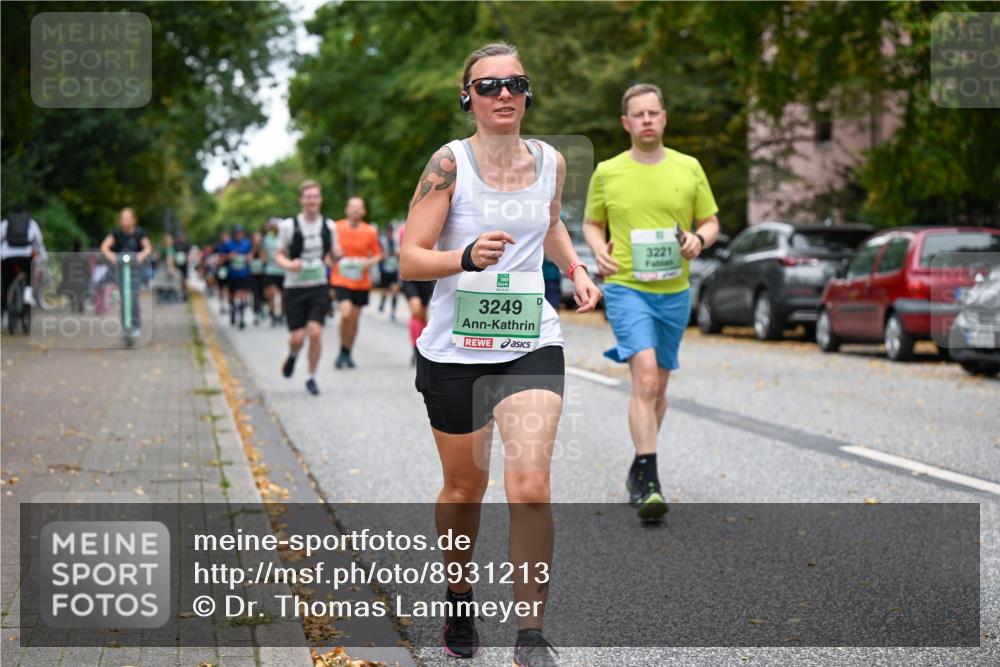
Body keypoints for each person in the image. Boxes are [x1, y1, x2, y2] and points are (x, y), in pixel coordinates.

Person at [400, 42, 601, 667]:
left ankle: (530, 634)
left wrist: (573, 266)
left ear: (527, 92)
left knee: (531, 483)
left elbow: (549, 219)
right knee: (465, 488)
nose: (504, 93)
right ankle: (459, 594)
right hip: (454, 348)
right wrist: (464, 258)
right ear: (469, 97)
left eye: (515, 82)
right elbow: (411, 256)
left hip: (529, 340)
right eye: (488, 86)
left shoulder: (551, 161)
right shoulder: (447, 164)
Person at [582, 82, 721, 520]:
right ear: (626, 123)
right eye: (638, 114)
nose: (646, 120)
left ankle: (639, 467)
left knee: (658, 386)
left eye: (653, 113)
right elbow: (590, 223)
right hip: (626, 286)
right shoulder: (608, 171)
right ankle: (650, 478)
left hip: (674, 291)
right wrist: (598, 249)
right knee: (643, 378)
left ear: (664, 118)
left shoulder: (689, 167)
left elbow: (711, 220)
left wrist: (700, 239)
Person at [275, 180, 339, 396]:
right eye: (308, 197)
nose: (312, 200)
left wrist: (336, 256)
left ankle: (311, 376)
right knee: (298, 338)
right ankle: (293, 356)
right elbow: (279, 254)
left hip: (318, 285)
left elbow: (332, 254)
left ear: (320, 200)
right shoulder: (288, 226)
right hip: (294, 287)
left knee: (315, 332)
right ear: (301, 200)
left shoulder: (329, 226)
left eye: (315, 196)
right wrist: (289, 265)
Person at [329, 196, 381, 369]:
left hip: (361, 281)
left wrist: (368, 262)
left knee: (354, 319)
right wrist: (332, 259)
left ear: (364, 211)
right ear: (346, 210)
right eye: (352, 207)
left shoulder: (370, 231)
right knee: (345, 314)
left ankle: (348, 351)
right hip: (340, 278)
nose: (355, 210)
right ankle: (341, 350)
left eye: (359, 207)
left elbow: (377, 254)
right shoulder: (336, 227)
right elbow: (328, 252)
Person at [100, 207, 153, 339]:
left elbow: (147, 247)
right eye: (123, 218)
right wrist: (113, 257)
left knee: (133, 296)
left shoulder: (140, 233)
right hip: (121, 267)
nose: (125, 220)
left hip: (135, 267)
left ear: (134, 219)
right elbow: (104, 246)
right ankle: (126, 327)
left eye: (128, 218)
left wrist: (140, 256)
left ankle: (135, 326)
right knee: (124, 298)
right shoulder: (116, 233)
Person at [1, 205, 47, 322]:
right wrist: (43, 257)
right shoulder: (31, 223)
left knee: (6, 282)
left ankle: (5, 312)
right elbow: (39, 243)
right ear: (25, 212)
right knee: (29, 280)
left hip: (7, 257)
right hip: (26, 256)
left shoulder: (6, 222)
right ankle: (27, 298)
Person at [399, 222, 435, 366]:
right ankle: (415, 348)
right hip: (409, 277)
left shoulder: (431, 227)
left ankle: (421, 346)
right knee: (416, 309)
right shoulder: (403, 229)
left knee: (423, 313)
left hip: (426, 276)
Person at [220, 226, 253, 329]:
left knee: (242, 294)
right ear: (234, 234)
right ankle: (233, 309)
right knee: (231, 295)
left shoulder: (246, 243)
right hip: (231, 274)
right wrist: (229, 256)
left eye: (241, 233)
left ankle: (242, 318)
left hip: (243, 273)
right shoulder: (228, 244)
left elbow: (251, 254)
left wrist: (249, 257)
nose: (239, 235)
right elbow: (221, 258)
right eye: (237, 233)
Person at [262, 219, 285, 326]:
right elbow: (264, 254)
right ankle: (273, 314)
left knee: (284, 295)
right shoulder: (267, 239)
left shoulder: (285, 237)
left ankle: (282, 315)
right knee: (271, 294)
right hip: (271, 270)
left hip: (284, 270)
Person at [377, 222, 402, 321]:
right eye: (389, 231)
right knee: (385, 290)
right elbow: (378, 253)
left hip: (394, 269)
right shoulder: (382, 241)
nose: (390, 233)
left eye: (391, 231)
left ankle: (393, 312)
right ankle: (383, 301)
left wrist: (397, 254)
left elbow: (400, 252)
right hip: (385, 269)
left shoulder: (396, 241)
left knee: (395, 290)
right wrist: (383, 255)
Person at [249, 230, 267, 325]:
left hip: (262, 274)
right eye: (256, 238)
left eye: (258, 237)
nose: (257, 239)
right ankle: (256, 314)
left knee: (263, 293)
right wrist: (253, 249)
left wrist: (259, 250)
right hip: (253, 275)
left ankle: (263, 309)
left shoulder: (263, 248)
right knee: (255, 294)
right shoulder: (250, 248)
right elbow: (249, 259)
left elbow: (264, 259)